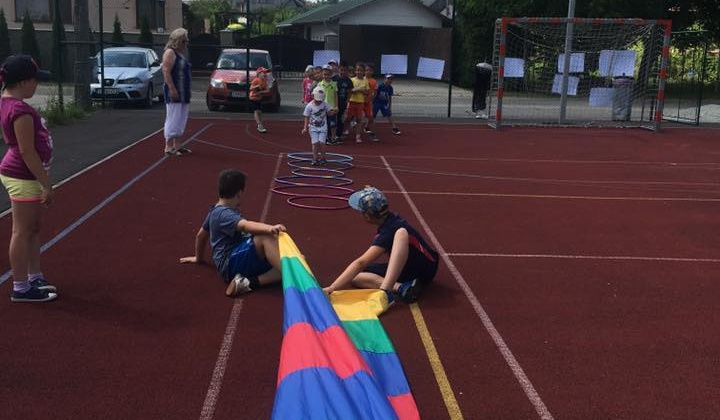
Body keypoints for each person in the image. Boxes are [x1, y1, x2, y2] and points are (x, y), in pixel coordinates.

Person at [0, 55, 57, 302]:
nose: (37, 86)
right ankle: (21, 287)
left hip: (24, 175)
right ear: (23, 82)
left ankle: (34, 276)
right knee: (22, 231)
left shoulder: (9, 103)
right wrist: (46, 184)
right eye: (35, 81)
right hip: (22, 176)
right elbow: (26, 150)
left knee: (32, 229)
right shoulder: (20, 110)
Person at [323, 186, 439, 304]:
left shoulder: (389, 231)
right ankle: (402, 287)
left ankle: (385, 292)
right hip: (414, 268)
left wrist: (332, 287)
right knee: (356, 277)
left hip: (423, 269)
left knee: (401, 233)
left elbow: (361, 262)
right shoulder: (391, 218)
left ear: (367, 216)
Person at [180, 169, 286, 297]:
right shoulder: (223, 214)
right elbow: (246, 225)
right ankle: (297, 280)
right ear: (239, 193)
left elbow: (200, 236)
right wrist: (270, 228)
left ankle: (247, 283)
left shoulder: (215, 210)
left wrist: (198, 258)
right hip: (230, 263)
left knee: (296, 259)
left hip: (238, 257)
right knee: (264, 237)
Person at [162, 28, 192, 157]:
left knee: (181, 118)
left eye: (186, 41)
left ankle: (177, 145)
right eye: (183, 41)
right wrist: (172, 89)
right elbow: (166, 71)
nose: (186, 44)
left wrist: (188, 90)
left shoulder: (180, 54)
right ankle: (168, 146)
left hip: (184, 91)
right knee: (173, 117)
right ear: (176, 41)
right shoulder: (170, 53)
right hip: (175, 90)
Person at [302, 87, 334, 166]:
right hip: (313, 127)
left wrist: (333, 111)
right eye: (317, 99)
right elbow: (306, 117)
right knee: (315, 143)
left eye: (320, 100)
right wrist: (305, 128)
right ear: (313, 96)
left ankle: (323, 158)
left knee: (322, 142)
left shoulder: (325, 104)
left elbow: (329, 113)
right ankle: (315, 158)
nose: (319, 101)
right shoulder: (309, 106)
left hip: (323, 127)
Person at [345, 63, 368, 143]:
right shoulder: (352, 80)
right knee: (348, 118)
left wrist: (361, 90)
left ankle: (358, 135)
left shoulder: (365, 81)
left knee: (359, 119)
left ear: (364, 72)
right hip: (352, 101)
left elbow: (366, 92)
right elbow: (350, 90)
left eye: (361, 70)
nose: (359, 72)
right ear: (355, 71)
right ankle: (346, 129)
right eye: (357, 70)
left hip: (360, 102)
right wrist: (358, 89)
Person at [316, 65, 338, 144]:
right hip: (322, 107)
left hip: (331, 107)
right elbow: (317, 96)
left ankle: (333, 137)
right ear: (322, 74)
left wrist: (336, 106)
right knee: (323, 123)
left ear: (331, 74)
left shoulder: (334, 84)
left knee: (333, 124)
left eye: (328, 74)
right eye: (324, 74)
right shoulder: (319, 84)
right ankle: (323, 138)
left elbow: (335, 96)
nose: (326, 76)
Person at [333, 61, 353, 143]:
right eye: (341, 70)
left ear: (347, 71)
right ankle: (331, 134)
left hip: (342, 103)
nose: (343, 72)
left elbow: (350, 92)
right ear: (338, 69)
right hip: (333, 103)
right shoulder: (334, 79)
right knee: (333, 119)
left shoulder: (348, 81)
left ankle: (338, 135)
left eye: (344, 70)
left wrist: (347, 101)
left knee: (341, 120)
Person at [250, 67, 272, 133]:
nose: (265, 74)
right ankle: (259, 125)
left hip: (259, 98)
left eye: (266, 73)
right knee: (256, 111)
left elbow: (268, 90)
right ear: (259, 74)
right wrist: (256, 87)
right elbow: (251, 88)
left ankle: (260, 123)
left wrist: (260, 92)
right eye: (264, 73)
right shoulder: (256, 80)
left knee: (259, 111)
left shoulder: (265, 82)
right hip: (253, 97)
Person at [362, 63, 378, 141]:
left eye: (370, 70)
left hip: (368, 102)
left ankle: (368, 128)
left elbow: (375, 93)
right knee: (356, 117)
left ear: (372, 72)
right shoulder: (361, 79)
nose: (368, 72)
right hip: (360, 101)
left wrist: (370, 98)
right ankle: (346, 130)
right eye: (366, 70)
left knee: (371, 118)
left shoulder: (374, 81)